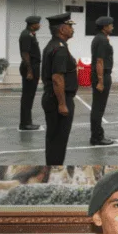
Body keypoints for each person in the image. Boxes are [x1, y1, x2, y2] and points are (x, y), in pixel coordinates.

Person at [40, 13, 78, 166]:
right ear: (62, 29)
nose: (72, 29)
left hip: (52, 98)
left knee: (54, 140)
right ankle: (55, 168)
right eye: (70, 26)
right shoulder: (60, 49)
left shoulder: (52, 45)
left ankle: (53, 165)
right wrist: (62, 103)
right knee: (58, 142)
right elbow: (57, 78)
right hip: (59, 100)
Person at [89, 16, 118, 146]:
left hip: (101, 75)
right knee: (98, 108)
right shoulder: (101, 40)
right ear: (104, 27)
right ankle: (97, 137)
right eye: (110, 25)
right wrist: (100, 81)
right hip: (102, 76)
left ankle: (97, 135)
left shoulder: (100, 38)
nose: (112, 27)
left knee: (98, 107)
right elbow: (99, 61)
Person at [18, 15, 43, 131]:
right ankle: (25, 123)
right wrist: (29, 71)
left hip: (33, 67)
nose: (39, 25)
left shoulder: (30, 34)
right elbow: (25, 54)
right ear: (33, 25)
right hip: (30, 68)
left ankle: (27, 121)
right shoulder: (26, 35)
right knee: (27, 96)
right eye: (38, 23)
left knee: (29, 96)